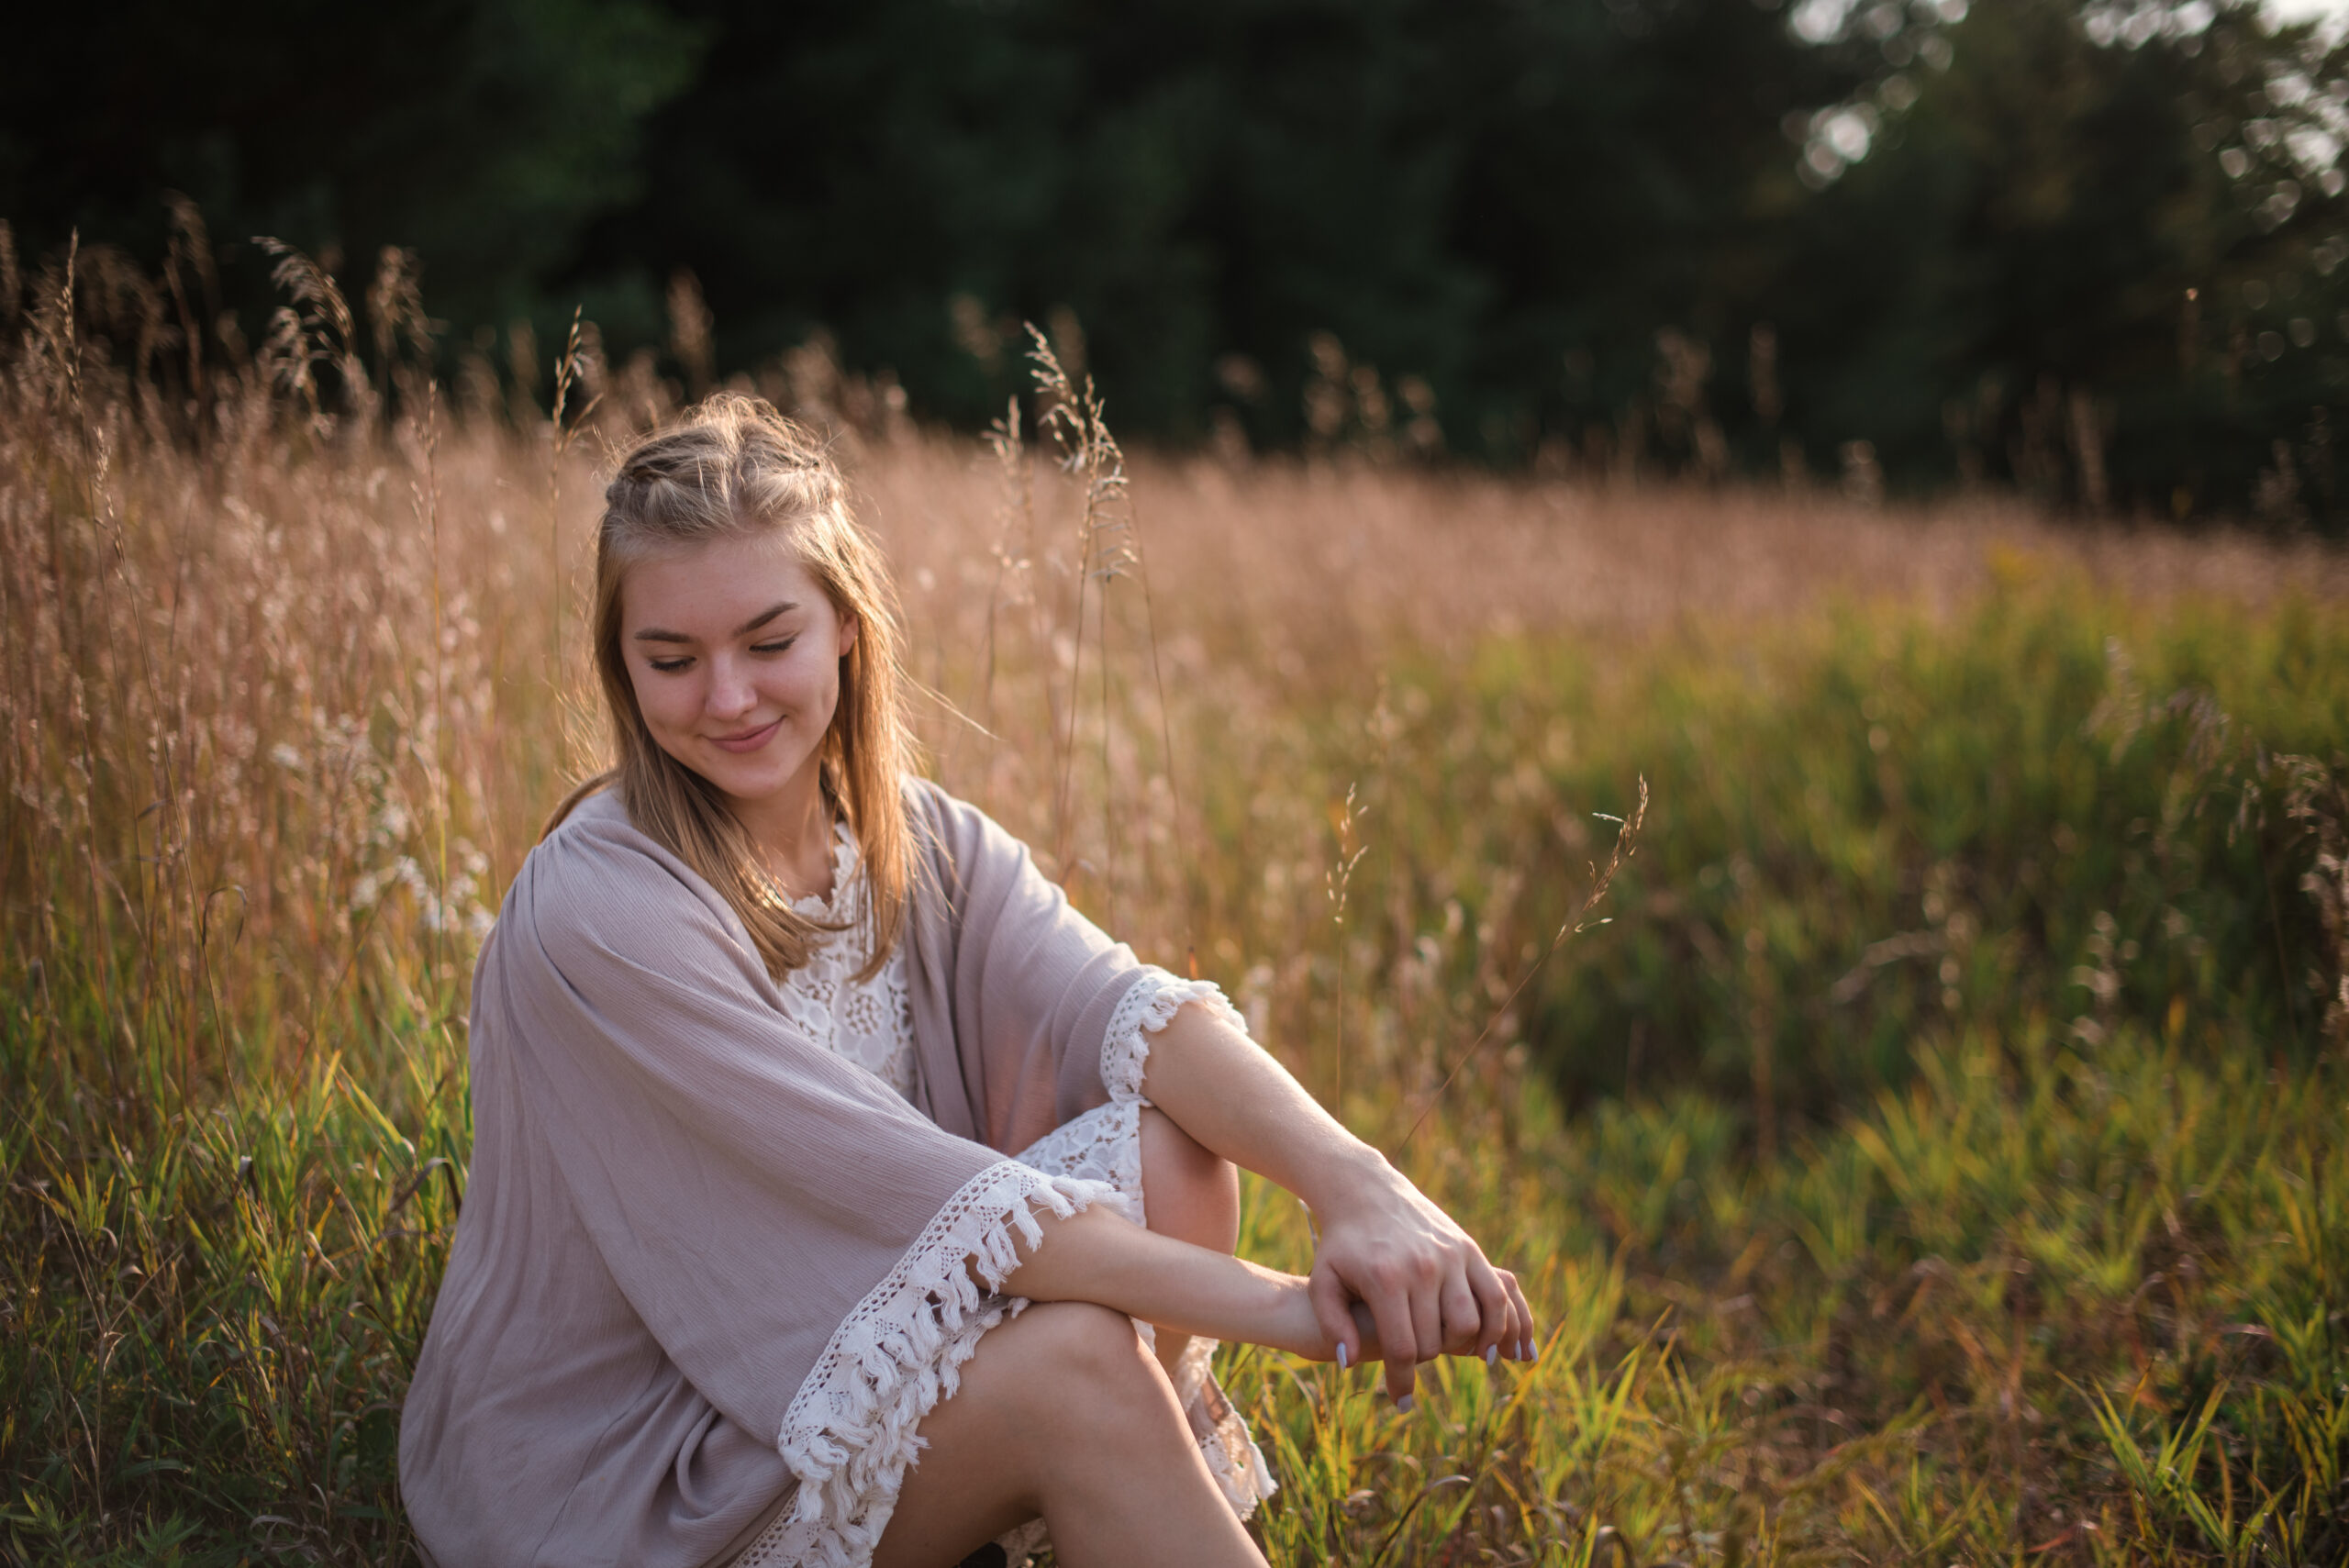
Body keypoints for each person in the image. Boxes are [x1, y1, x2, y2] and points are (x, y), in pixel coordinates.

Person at [397, 395, 1536, 1568]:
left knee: (1171, 1147)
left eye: (768, 640)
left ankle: (1098, 1509)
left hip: (829, 1354)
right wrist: (1291, 1306)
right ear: (618, 660)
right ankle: (1099, 1471)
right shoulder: (602, 910)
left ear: (845, 623)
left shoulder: (917, 841)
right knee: (1075, 1369)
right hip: (636, 1461)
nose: (728, 697)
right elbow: (911, 1201)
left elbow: (1129, 1008)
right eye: (672, 659)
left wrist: (1359, 1185)